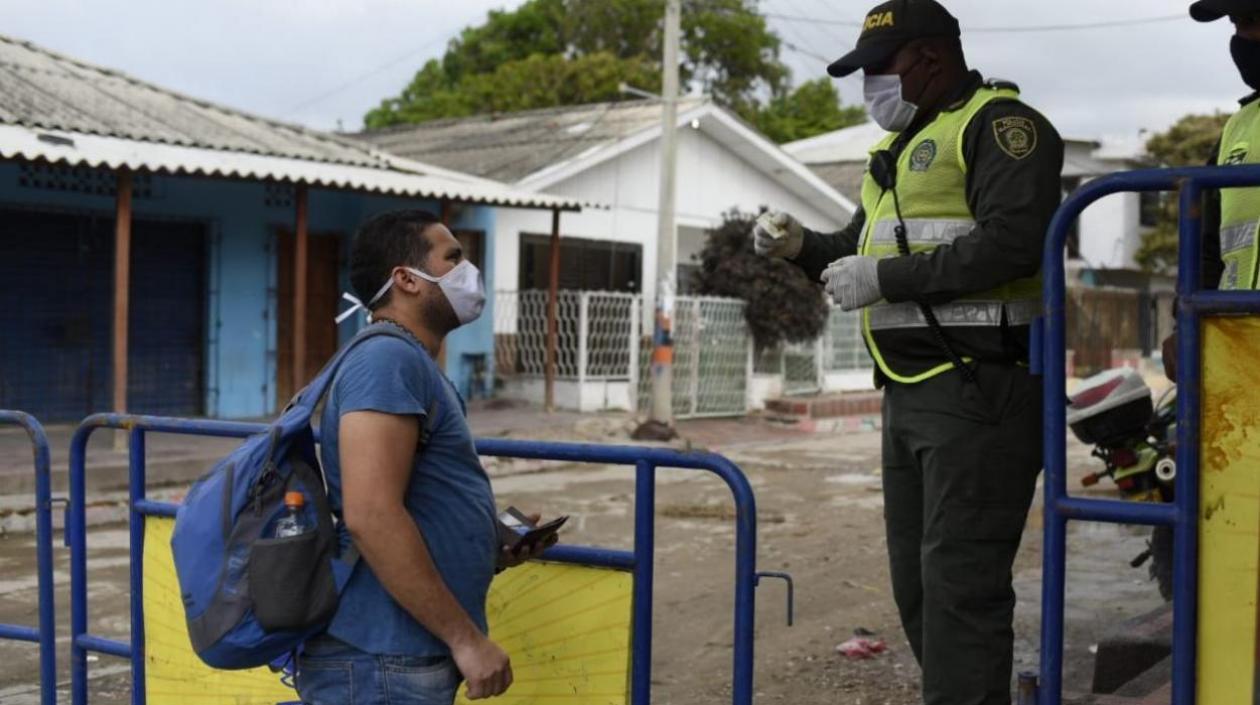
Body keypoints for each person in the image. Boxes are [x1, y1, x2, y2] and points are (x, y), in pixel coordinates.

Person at [754, 1, 1063, 703]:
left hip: (979, 386)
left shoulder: (1001, 128)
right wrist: (799, 245)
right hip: (910, 385)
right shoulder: (896, 151)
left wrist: (885, 277)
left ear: (928, 58)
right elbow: (856, 254)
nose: (870, 87)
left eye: (878, 69)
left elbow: (1012, 240)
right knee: (919, 586)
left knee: (961, 584)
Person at [297, 209, 550, 705]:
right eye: (452, 257)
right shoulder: (385, 360)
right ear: (407, 280)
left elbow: (409, 502)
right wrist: (466, 640)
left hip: (397, 660)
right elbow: (371, 515)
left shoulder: (409, 361)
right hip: (381, 662)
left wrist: (486, 543)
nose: (468, 270)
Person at [1163, 0, 1258, 379]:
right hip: (1237, 342)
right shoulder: (1238, 127)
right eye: (1237, 24)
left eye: (1253, 21)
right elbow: (1207, 246)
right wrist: (1183, 321)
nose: (1241, 38)